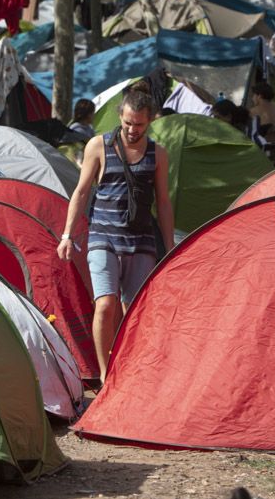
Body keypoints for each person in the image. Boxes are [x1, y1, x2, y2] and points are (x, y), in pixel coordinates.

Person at [57, 90, 174, 384]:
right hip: (103, 235)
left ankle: (132, 369)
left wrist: (170, 247)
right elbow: (82, 191)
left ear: (150, 122)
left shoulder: (158, 154)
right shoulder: (99, 145)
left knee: (134, 309)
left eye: (139, 126)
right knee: (106, 304)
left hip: (141, 238)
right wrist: (68, 234)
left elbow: (163, 201)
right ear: (120, 117)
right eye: (128, 124)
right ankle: (106, 374)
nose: (133, 130)